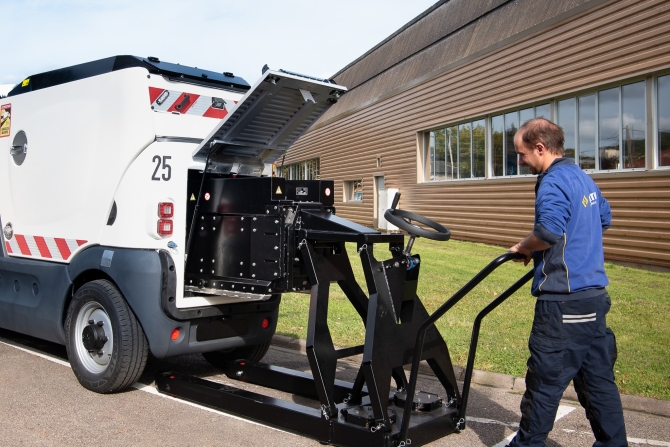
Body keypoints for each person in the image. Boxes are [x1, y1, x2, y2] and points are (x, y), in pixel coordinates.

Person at [507, 118, 627, 446]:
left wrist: (524, 247)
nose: (520, 162)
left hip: (562, 305)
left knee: (543, 387)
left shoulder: (553, 181)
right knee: (598, 384)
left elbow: (547, 231)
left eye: (521, 154)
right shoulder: (582, 177)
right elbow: (604, 218)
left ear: (540, 148)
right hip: (594, 300)